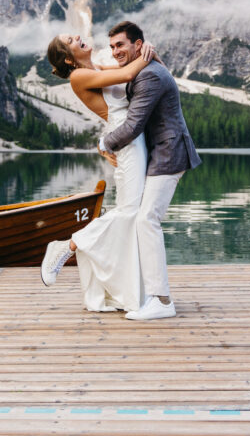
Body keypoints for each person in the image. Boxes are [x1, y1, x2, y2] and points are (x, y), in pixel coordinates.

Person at [40, 31, 158, 313]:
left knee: (131, 214)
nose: (78, 36)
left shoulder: (96, 67)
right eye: (71, 40)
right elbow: (129, 75)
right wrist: (147, 52)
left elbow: (126, 69)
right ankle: (68, 245)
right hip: (125, 139)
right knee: (130, 212)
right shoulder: (78, 77)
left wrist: (144, 53)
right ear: (69, 57)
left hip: (130, 136)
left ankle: (111, 292)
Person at [99, 21, 201, 321]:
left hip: (169, 153)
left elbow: (133, 126)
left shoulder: (150, 76)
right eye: (113, 46)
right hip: (160, 153)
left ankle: (162, 300)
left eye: (121, 45)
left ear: (138, 45)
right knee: (142, 219)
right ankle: (145, 292)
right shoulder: (146, 69)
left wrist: (104, 143)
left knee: (147, 219)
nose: (116, 51)